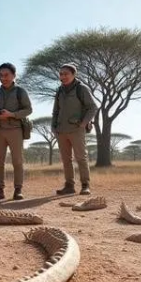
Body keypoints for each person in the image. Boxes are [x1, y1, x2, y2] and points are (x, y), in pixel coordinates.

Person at [0, 63, 33, 200]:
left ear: (14, 75)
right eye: (1, 75)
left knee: (17, 161)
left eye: (6, 75)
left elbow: (28, 110)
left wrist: (11, 114)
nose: (3, 78)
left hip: (15, 130)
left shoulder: (20, 92)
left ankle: (18, 190)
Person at [51, 63, 97, 195]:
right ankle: (69, 186)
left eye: (66, 74)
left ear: (73, 74)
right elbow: (56, 111)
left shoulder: (81, 89)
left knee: (81, 158)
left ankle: (85, 185)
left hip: (76, 129)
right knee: (66, 160)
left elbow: (93, 107)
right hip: (61, 130)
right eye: (61, 74)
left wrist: (83, 123)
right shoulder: (59, 91)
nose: (63, 76)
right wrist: (53, 126)